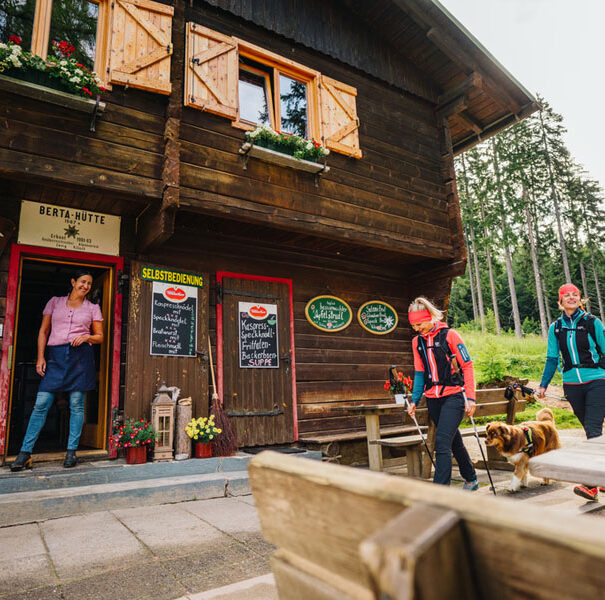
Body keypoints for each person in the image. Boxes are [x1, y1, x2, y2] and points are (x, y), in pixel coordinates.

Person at [11, 270, 104, 471]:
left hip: (80, 357)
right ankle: (25, 453)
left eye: (88, 283)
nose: (85, 286)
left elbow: (100, 336)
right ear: (73, 282)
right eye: (82, 281)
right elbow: (43, 331)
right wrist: (40, 357)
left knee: (77, 404)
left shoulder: (93, 308)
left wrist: (87, 337)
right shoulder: (55, 302)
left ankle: (71, 452)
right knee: (42, 403)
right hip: (55, 356)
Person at [537, 283, 605, 501]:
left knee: (593, 431)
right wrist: (543, 385)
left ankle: (591, 484)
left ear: (580, 299)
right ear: (560, 302)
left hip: (597, 381)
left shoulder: (592, 322)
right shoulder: (556, 328)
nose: (571, 298)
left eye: (575, 294)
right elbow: (552, 358)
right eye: (566, 295)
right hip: (571, 385)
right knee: (590, 432)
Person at [406, 296, 478, 489]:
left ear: (429, 317)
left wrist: (471, 398)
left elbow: (468, 366)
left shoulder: (450, 335)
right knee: (453, 441)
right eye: (413, 325)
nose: (416, 328)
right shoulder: (416, 342)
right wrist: (414, 400)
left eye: (419, 324)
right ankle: (471, 478)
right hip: (433, 399)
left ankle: (440, 492)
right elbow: (420, 373)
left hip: (453, 395)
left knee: (441, 443)